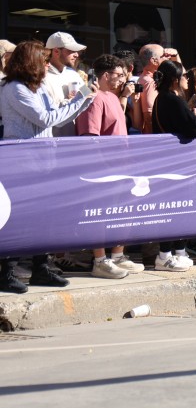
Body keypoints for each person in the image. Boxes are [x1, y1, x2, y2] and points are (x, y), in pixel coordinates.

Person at [0, 40, 95, 294]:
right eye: (42, 61)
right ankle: (7, 272)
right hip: (22, 160)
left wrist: (84, 99)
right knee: (21, 217)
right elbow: (45, 118)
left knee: (44, 215)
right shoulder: (14, 88)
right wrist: (81, 98)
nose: (46, 65)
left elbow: (57, 117)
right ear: (30, 62)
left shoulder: (38, 86)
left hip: (44, 157)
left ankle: (41, 268)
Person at [75, 54, 146, 279]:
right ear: (106, 75)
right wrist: (102, 167)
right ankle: (99, 260)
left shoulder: (113, 97)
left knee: (122, 212)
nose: (123, 79)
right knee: (101, 214)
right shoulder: (94, 98)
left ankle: (117, 255)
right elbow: (90, 137)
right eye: (119, 75)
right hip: (103, 169)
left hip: (122, 165)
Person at [151, 60, 196, 271]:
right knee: (176, 208)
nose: (187, 80)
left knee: (177, 207)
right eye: (184, 77)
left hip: (168, 162)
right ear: (175, 80)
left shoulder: (161, 99)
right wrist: (195, 116)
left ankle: (178, 251)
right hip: (177, 163)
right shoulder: (173, 100)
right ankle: (165, 255)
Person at [41, 32, 87, 137]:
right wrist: (72, 101)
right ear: (56, 51)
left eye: (77, 51)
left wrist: (90, 88)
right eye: (71, 51)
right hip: (50, 140)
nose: (76, 55)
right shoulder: (41, 76)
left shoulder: (73, 73)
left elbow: (86, 95)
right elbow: (45, 114)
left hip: (73, 139)